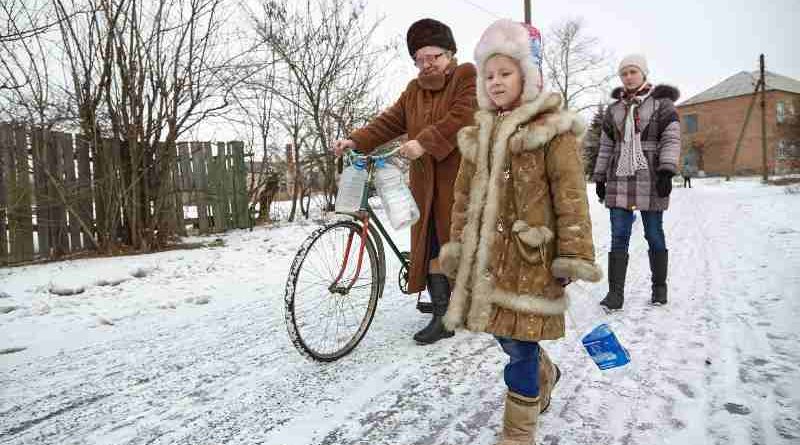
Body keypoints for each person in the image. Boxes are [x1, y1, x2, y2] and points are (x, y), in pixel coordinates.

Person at [438, 19, 602, 444]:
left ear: (527, 75)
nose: (495, 82)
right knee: (504, 336)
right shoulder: (478, 134)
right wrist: (457, 246)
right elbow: (462, 198)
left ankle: (518, 432)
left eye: (505, 73)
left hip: (533, 259)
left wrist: (574, 253)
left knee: (522, 346)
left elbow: (570, 196)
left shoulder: (553, 131)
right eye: (488, 75)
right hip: (489, 261)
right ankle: (545, 372)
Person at [332, 18, 478, 344]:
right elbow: (390, 121)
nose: (427, 64)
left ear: (450, 53)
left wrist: (424, 141)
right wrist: (355, 140)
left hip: (460, 178)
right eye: (420, 59)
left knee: (449, 241)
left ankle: (449, 313)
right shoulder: (413, 91)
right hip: (425, 182)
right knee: (429, 242)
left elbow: (463, 115)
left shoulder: (467, 76)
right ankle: (445, 307)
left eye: (434, 57)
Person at [592, 54, 681, 310]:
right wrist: (599, 177)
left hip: (651, 174)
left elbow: (671, 138)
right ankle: (615, 294)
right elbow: (606, 145)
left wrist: (666, 170)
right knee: (619, 234)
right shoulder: (615, 109)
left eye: (633, 71)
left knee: (653, 233)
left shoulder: (662, 105)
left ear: (643, 73)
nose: (628, 77)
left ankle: (659, 288)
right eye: (624, 73)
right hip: (620, 176)